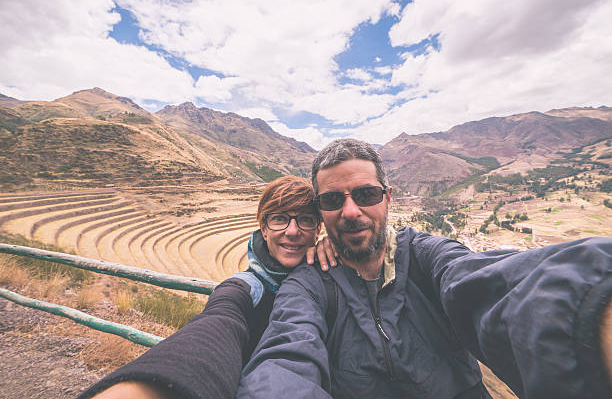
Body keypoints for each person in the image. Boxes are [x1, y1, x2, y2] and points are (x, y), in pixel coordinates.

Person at [237, 138, 612, 399]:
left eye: (366, 195)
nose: (351, 211)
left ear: (388, 198)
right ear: (321, 212)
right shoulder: (308, 286)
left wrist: (590, 304)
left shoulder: (427, 257)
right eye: (334, 200)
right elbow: (286, 354)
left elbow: (493, 285)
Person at [79, 175, 323, 399]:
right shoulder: (246, 288)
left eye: (305, 220)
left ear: (318, 230)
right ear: (264, 228)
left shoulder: (334, 275)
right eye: (279, 219)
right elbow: (219, 320)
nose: (292, 231)